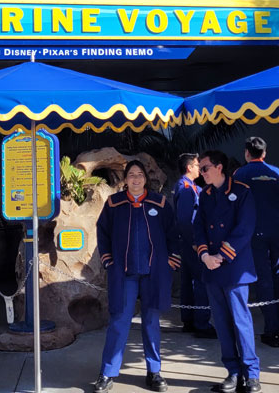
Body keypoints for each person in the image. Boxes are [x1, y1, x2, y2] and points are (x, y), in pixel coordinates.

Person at [93, 160, 180, 393]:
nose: (135, 179)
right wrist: (108, 261)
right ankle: (108, 372)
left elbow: (173, 234)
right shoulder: (114, 204)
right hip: (123, 274)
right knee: (119, 322)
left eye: (139, 174)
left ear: (145, 178)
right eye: (131, 175)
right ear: (125, 179)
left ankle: (154, 371)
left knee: (151, 323)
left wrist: (170, 262)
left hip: (153, 273)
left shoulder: (160, 203)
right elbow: (102, 233)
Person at [193, 150, 261, 393]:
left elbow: (245, 229)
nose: (201, 173)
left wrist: (221, 256)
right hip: (212, 269)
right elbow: (197, 227)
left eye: (205, 168)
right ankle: (232, 372)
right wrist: (204, 256)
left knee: (241, 322)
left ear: (219, 167)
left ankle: (251, 374)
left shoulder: (242, 192)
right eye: (200, 169)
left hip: (234, 268)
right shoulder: (205, 195)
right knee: (221, 323)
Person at [234, 137, 279, 347]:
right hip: (277, 231)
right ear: (264, 153)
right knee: (276, 275)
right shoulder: (277, 173)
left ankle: (272, 330)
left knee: (264, 279)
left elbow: (235, 205)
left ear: (247, 153)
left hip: (254, 232)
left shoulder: (240, 174)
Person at [173, 152, 215, 337]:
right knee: (200, 281)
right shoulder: (187, 189)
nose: (200, 168)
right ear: (189, 167)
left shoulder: (188, 187)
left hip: (186, 242)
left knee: (188, 283)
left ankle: (189, 319)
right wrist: (195, 243)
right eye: (198, 165)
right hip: (192, 243)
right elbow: (184, 220)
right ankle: (201, 323)